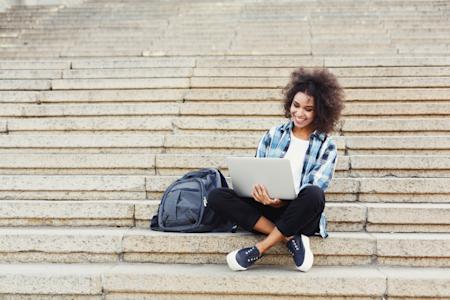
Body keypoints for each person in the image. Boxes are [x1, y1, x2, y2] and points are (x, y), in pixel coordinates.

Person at [207, 67, 344, 272]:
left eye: (308, 109)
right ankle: (289, 238)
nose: (299, 113)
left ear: (321, 111)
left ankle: (258, 249)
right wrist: (261, 194)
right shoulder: (274, 134)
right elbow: (257, 169)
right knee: (216, 195)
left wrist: (282, 200)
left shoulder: (327, 145)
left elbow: (316, 184)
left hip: (300, 213)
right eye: (296, 105)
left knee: (314, 195)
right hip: (267, 207)